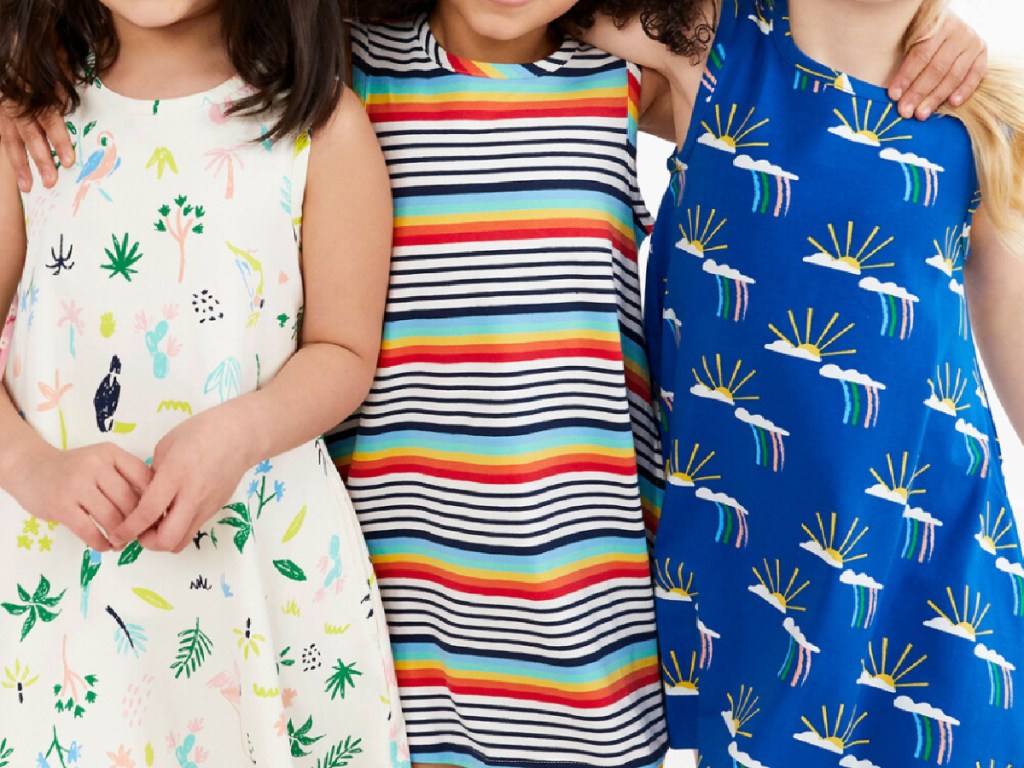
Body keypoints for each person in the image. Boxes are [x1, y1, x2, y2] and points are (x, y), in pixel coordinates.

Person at [0, 2, 990, 766]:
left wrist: (936, 30)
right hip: (398, 609)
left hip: (589, 615)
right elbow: (191, 66)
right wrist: (29, 78)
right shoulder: (348, 70)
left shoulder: (624, 77)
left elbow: (806, 87)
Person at [581, 0, 1024, 764]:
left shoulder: (980, 108)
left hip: (938, 562)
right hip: (757, 570)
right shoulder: (707, 39)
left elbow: (1010, 314)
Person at [0, 1, 409, 765]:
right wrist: (32, 468)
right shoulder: (28, 127)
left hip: (258, 579)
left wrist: (240, 432)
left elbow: (344, 349)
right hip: (59, 596)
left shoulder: (321, 126)